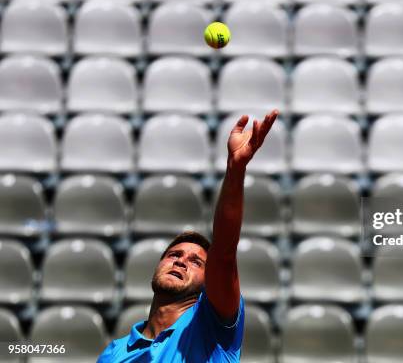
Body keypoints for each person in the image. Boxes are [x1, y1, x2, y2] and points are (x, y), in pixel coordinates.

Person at [98, 110, 279, 362]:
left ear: (209, 282)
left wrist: (235, 170)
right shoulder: (113, 354)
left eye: (197, 262)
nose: (181, 261)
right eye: (174, 255)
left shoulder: (210, 327)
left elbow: (225, 252)